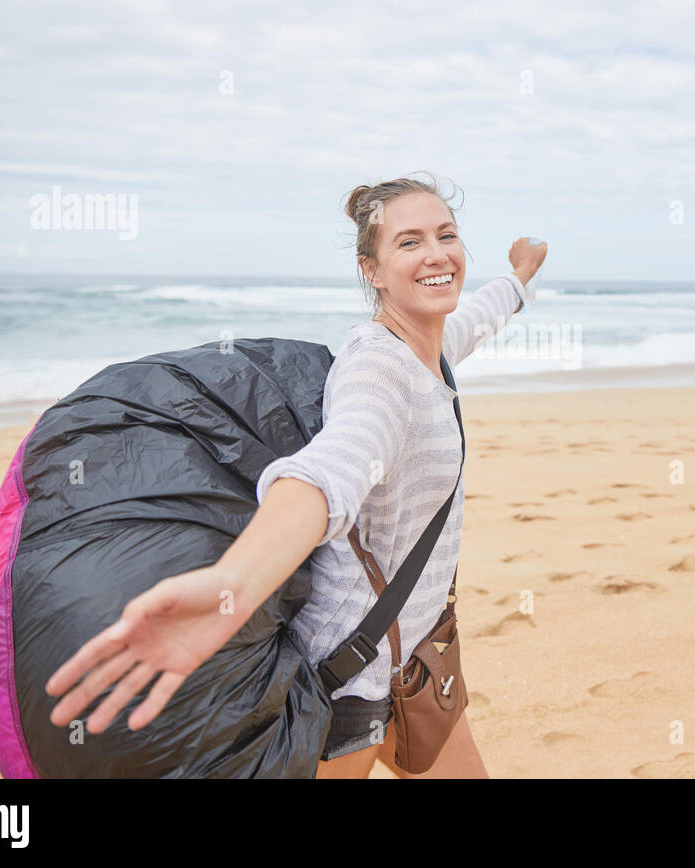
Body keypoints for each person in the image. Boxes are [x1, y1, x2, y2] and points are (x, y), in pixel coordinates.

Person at [44, 172, 547, 779]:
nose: (437, 254)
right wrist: (235, 582)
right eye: (409, 242)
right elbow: (327, 471)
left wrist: (518, 276)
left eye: (447, 235)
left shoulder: (432, 347)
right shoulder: (378, 371)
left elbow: (479, 316)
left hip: (415, 657)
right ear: (373, 270)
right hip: (351, 681)